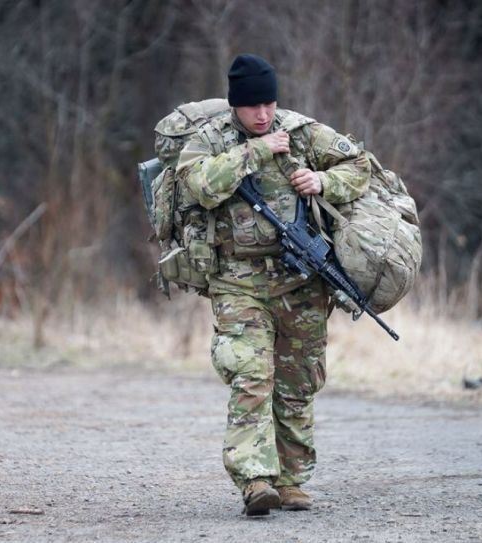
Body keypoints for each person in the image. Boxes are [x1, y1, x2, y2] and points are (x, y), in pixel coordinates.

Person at [175, 53, 372, 516]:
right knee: (250, 374)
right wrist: (258, 151)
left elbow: (359, 166)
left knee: (298, 380)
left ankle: (291, 481)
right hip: (237, 280)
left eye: (268, 103)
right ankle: (255, 480)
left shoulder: (303, 133)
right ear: (234, 106)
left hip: (301, 279)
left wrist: (323, 181)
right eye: (252, 107)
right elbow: (199, 185)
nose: (263, 115)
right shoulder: (209, 140)